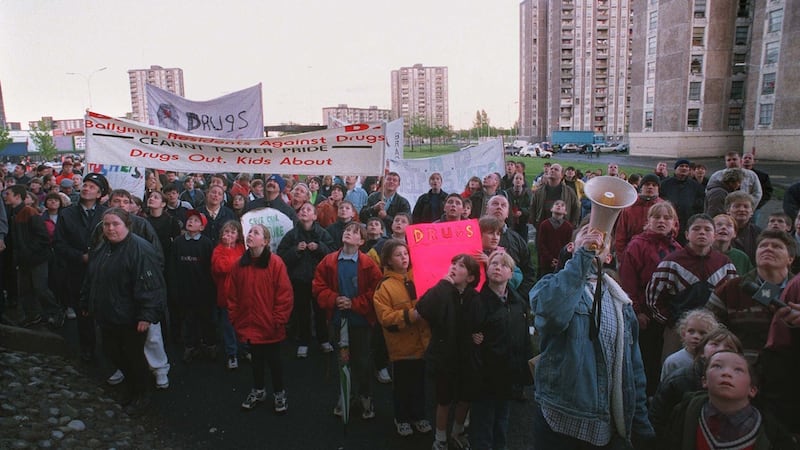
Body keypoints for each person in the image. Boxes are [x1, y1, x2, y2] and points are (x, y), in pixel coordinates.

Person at [530, 224, 655, 449]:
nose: (596, 235)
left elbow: (634, 368)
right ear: (571, 247)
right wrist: (583, 257)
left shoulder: (622, 304)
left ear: (609, 257)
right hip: (560, 419)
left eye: (602, 237)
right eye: (586, 232)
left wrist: (641, 423)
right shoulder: (549, 285)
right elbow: (552, 316)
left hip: (606, 425)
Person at [80, 208, 166, 415]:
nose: (110, 228)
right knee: (112, 352)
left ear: (126, 225)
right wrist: (85, 301)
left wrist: (146, 315)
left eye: (115, 224)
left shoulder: (140, 249)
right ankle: (131, 387)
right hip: (107, 313)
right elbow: (91, 277)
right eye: (106, 224)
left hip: (130, 316)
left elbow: (151, 284)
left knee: (133, 356)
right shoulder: (103, 247)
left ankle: (141, 394)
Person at [312, 222, 383, 421]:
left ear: (361, 241)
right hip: (337, 320)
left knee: (362, 360)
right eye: (347, 231)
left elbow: (376, 291)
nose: (348, 233)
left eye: (355, 232)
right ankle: (346, 394)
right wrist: (334, 299)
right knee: (343, 359)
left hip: (360, 321)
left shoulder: (368, 264)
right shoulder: (328, 261)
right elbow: (318, 285)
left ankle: (365, 395)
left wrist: (353, 303)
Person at [646, 213, 737, 361]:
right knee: (674, 367)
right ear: (687, 234)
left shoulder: (725, 264)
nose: (702, 232)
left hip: (715, 333)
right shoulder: (671, 262)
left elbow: (733, 297)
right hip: (678, 331)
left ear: (714, 235)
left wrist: (722, 326)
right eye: (696, 229)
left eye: (707, 229)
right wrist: (672, 322)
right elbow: (653, 298)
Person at [415, 254, 481, 450]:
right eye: (453, 264)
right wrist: (443, 284)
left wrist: (479, 335)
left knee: (464, 399)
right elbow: (423, 309)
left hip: (467, 357)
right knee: (443, 400)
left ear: (470, 277)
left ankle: (457, 432)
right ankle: (440, 437)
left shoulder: (475, 297)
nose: (454, 267)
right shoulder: (442, 291)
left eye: (461, 266)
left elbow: (481, 321)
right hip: (444, 356)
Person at [666, 351, 797, 450]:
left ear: (752, 389)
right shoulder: (686, 412)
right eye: (717, 366)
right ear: (704, 381)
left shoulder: (771, 433)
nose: (726, 373)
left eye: (738, 369)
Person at [469, 251, 533, 450]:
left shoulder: (517, 303)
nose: (498, 267)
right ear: (486, 270)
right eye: (494, 263)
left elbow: (524, 339)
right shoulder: (477, 302)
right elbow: (467, 335)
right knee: (483, 423)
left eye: (504, 265)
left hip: (508, 374)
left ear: (511, 274)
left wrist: (524, 370)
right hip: (484, 377)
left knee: (502, 420)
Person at [227, 224, 293, 413]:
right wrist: (235, 319)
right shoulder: (239, 265)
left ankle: (279, 393)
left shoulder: (275, 263)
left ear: (265, 241)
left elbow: (285, 294)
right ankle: (258, 390)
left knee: (274, 361)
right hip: (248, 324)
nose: (250, 235)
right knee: (255, 360)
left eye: (256, 232)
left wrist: (278, 320)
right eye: (250, 232)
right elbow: (232, 295)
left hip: (270, 325)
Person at [619, 201, 682, 395]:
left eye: (667, 218)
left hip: (670, 315)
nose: (661, 221)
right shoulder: (637, 245)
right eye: (657, 217)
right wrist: (637, 311)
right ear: (649, 221)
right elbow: (628, 281)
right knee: (646, 358)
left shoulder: (677, 249)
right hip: (646, 315)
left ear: (674, 223)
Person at [372, 239, 432, 437]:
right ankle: (402, 417)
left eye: (406, 254)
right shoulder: (385, 286)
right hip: (401, 348)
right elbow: (385, 318)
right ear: (388, 260)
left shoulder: (420, 276)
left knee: (420, 385)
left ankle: (419, 415)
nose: (404, 258)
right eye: (398, 255)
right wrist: (409, 316)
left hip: (422, 344)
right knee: (402, 386)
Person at [706, 229, 796, 361]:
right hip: (740, 368)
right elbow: (708, 326)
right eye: (763, 246)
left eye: (777, 246)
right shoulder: (731, 288)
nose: (768, 249)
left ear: (790, 258)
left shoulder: (797, 290)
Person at [648, 328, 744, 444]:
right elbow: (657, 420)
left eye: (728, 347)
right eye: (714, 344)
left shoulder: (744, 385)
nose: (721, 349)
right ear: (702, 352)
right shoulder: (678, 381)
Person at [54, 172, 109, 361]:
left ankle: (113, 353)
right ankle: (87, 349)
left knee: (107, 313)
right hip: (77, 271)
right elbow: (59, 244)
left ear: (100, 193)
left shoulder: (106, 214)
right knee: (83, 312)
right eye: (85, 185)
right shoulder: (67, 213)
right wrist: (80, 257)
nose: (86, 188)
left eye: (92, 187)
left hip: (104, 272)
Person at [276, 202, 334, 359]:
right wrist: (296, 250)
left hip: (319, 280)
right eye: (302, 210)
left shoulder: (322, 234)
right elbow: (281, 256)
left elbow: (332, 255)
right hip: (299, 280)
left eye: (308, 209)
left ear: (315, 216)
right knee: (302, 312)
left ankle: (323, 339)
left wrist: (320, 247)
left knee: (320, 311)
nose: (304, 212)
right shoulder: (292, 235)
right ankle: (304, 341)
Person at [5, 185, 63, 328]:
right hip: (24, 259)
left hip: (37, 258)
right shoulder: (13, 212)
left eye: (8, 194)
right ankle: (32, 316)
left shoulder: (29, 212)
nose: (5, 196)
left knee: (40, 288)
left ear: (18, 196)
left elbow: (42, 237)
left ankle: (55, 313)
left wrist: (28, 251)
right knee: (24, 290)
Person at [167, 209, 217, 363]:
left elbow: (211, 268)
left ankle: (209, 345)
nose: (191, 222)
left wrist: (211, 289)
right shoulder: (178, 242)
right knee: (188, 320)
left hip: (203, 290)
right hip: (184, 289)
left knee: (206, 319)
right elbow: (172, 266)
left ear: (202, 227)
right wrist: (174, 288)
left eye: (196, 221)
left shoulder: (206, 243)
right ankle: (190, 346)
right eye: (189, 220)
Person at [211, 220, 247, 370]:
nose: (230, 235)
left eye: (233, 232)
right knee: (228, 326)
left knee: (244, 323)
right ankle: (232, 353)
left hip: (243, 294)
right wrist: (228, 250)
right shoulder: (219, 249)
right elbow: (221, 267)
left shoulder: (241, 248)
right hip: (226, 295)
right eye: (227, 232)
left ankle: (245, 349)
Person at [660, 309, 718, 382]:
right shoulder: (673, 361)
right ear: (683, 334)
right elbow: (664, 388)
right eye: (691, 331)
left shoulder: (714, 360)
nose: (696, 336)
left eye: (702, 333)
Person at [614, 173, 664, 256]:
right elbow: (620, 233)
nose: (650, 187)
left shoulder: (665, 207)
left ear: (658, 189)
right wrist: (621, 255)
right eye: (647, 184)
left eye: (654, 185)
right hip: (631, 253)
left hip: (656, 254)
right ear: (641, 187)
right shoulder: (629, 207)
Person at [660, 159, 705, 243]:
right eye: (681, 166)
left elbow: (700, 204)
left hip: (688, 223)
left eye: (686, 166)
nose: (684, 168)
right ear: (676, 168)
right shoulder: (665, 184)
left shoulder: (695, 186)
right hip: (669, 222)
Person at [529, 163, 580, 228]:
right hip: (542, 228)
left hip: (562, 229)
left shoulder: (569, 192)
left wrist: (571, 225)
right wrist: (536, 224)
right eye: (551, 169)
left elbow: (576, 209)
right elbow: (532, 208)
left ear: (561, 175)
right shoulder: (539, 192)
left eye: (556, 169)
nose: (552, 170)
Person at [537, 200, 574, 276]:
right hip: (546, 262)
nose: (559, 206)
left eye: (562, 205)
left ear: (565, 212)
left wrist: (560, 260)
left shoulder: (568, 227)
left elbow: (568, 245)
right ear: (551, 209)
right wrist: (550, 259)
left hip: (562, 262)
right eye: (556, 204)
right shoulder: (544, 224)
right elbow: (541, 244)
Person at [725, 191, 761, 264]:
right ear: (728, 210)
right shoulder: (719, 230)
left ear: (752, 212)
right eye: (737, 206)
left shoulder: (758, 232)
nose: (742, 209)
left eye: (746, 206)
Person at [504, 172, 532, 239]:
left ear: (523, 182)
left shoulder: (528, 193)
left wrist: (522, 211)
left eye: (520, 179)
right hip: (510, 222)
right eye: (516, 178)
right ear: (513, 181)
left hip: (523, 222)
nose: (518, 180)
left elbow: (531, 207)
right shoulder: (507, 193)